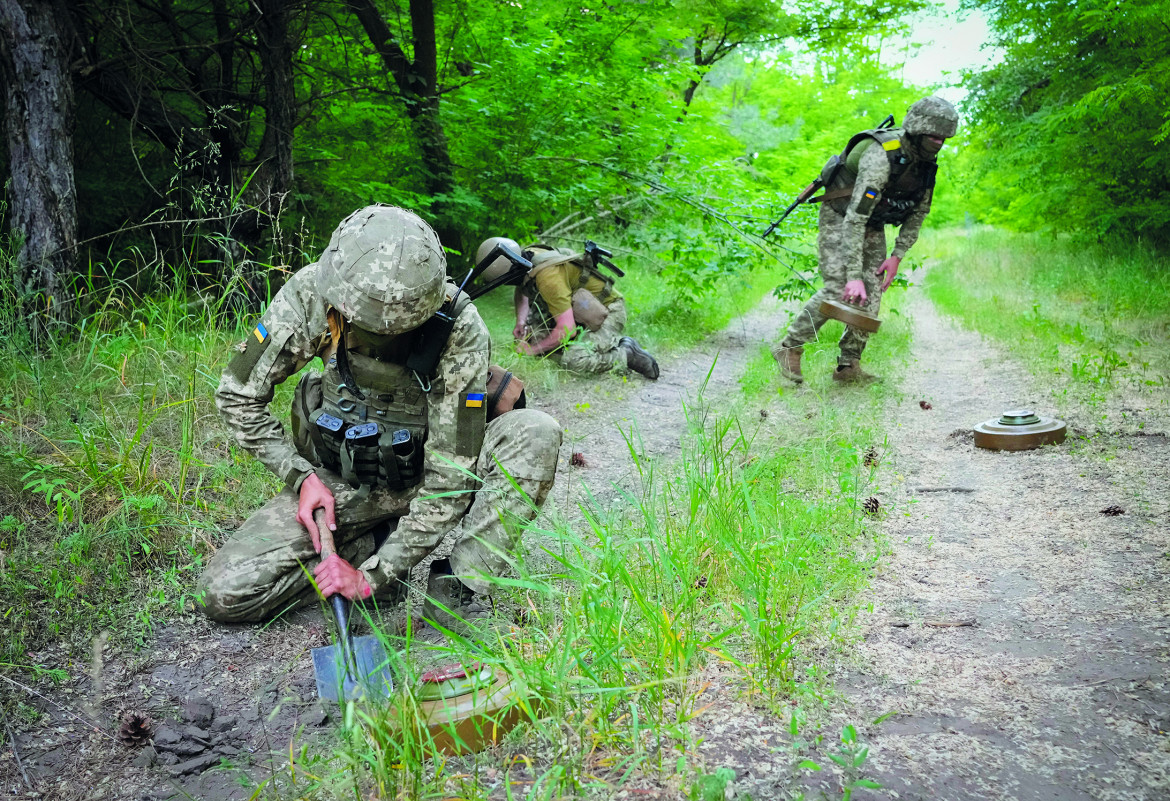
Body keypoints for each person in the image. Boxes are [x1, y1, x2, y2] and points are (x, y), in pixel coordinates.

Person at [197, 205, 562, 634]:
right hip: (348, 480)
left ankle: (461, 584)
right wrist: (300, 478)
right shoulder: (311, 294)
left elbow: (451, 475)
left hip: (429, 472)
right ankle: (374, 539)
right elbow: (237, 394)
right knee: (222, 592)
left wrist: (372, 578)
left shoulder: (458, 326)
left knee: (534, 432)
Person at [772, 96, 959, 384]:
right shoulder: (881, 156)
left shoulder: (925, 163)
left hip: (873, 222)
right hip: (841, 216)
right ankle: (790, 347)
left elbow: (919, 212)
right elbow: (854, 218)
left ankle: (848, 367)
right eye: (934, 136)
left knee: (872, 293)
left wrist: (897, 255)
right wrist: (852, 275)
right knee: (839, 289)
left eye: (944, 138)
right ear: (919, 130)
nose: (940, 142)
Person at [475, 238, 660, 380]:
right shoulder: (526, 257)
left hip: (609, 311)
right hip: (579, 311)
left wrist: (531, 351)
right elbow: (522, 289)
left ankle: (626, 354)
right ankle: (584, 347)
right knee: (535, 339)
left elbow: (567, 329)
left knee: (574, 361)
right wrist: (521, 321)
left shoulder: (548, 279)